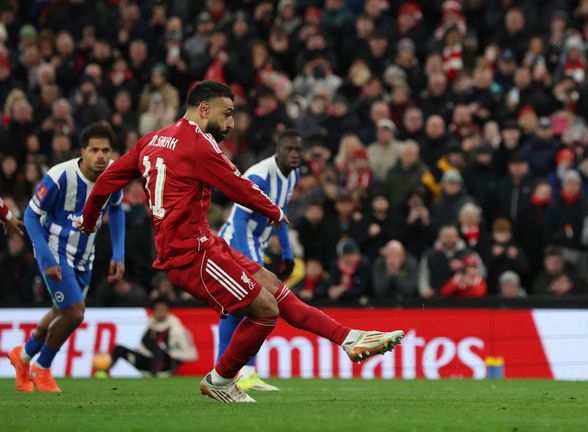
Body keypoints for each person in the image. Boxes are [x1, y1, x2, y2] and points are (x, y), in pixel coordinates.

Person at [77, 81, 403, 403]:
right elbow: (237, 187)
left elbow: (107, 180)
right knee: (265, 310)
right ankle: (221, 379)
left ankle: (349, 338)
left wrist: (89, 221)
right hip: (189, 253)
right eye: (228, 113)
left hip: (205, 242)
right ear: (204, 109)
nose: (232, 123)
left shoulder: (151, 140)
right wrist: (273, 209)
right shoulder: (198, 144)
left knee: (273, 285)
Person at [8, 122, 125, 393]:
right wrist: (47, 258)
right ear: (82, 151)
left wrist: (118, 254)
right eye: (94, 150)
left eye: (105, 150)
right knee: (74, 313)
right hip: (55, 248)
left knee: (61, 311)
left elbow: (117, 210)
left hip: (85, 254)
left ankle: (22, 356)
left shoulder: (113, 175)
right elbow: (30, 215)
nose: (100, 156)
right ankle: (42, 367)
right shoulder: (60, 176)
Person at [216, 130, 303, 392]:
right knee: (246, 306)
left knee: (246, 308)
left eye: (299, 150)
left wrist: (287, 251)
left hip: (257, 244)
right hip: (235, 242)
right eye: (290, 149)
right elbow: (239, 218)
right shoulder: (259, 175)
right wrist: (247, 261)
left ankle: (242, 373)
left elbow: (281, 213)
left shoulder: (293, 175)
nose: (295, 155)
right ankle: (232, 371)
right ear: (278, 149)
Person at [110, 296, 198, 376]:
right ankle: (104, 373)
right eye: (157, 309)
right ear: (153, 311)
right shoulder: (150, 324)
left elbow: (192, 355)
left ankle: (153, 377)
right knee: (119, 349)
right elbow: (141, 347)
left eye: (163, 309)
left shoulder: (176, 329)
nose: (160, 312)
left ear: (168, 311)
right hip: (148, 360)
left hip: (166, 363)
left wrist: (169, 353)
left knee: (158, 350)